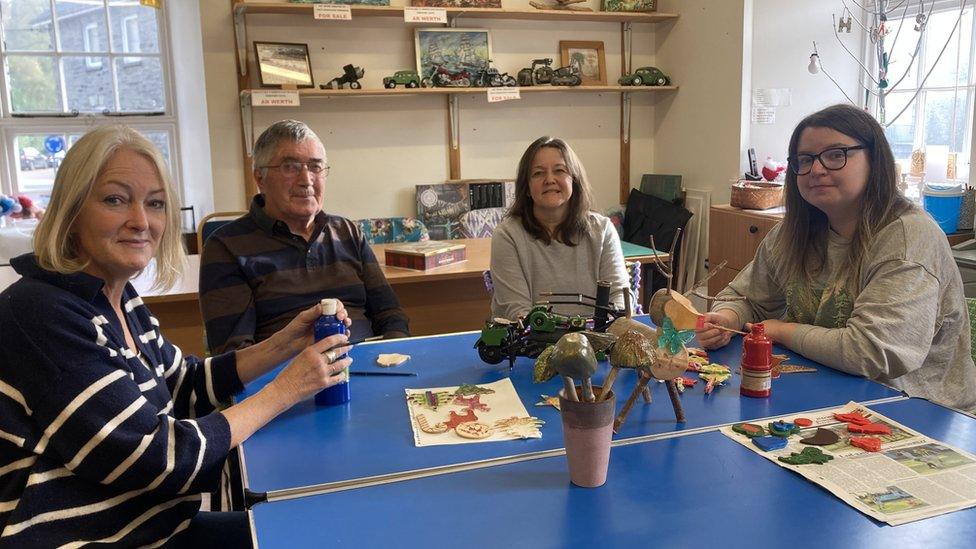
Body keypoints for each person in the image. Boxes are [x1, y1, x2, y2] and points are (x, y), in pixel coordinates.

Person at [0, 125, 354, 546]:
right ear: (71, 210)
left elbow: (183, 385)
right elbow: (158, 457)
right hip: (93, 538)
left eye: (155, 204)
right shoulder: (39, 312)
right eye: (115, 200)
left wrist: (286, 342)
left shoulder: (116, 296)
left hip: (158, 527)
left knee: (329, 530)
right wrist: (287, 389)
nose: (141, 221)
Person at [696, 104, 976, 411]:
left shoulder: (907, 238)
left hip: (918, 410)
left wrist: (782, 331)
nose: (816, 170)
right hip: (829, 394)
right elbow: (748, 298)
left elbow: (871, 352)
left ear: (874, 159)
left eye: (835, 155)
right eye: (805, 160)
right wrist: (726, 319)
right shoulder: (794, 233)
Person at [200, 120, 409, 354]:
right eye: (290, 167)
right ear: (260, 178)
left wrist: (392, 358)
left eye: (315, 166)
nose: (306, 179)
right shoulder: (226, 246)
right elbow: (234, 354)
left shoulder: (347, 232)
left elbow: (390, 315)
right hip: (284, 381)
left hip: (368, 369)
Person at [490, 136, 630, 321]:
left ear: (574, 179)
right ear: (526, 187)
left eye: (560, 170)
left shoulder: (603, 230)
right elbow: (518, 312)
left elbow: (618, 299)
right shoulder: (507, 235)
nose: (550, 179)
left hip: (597, 342)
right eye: (538, 173)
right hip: (534, 344)